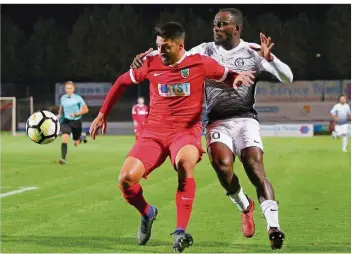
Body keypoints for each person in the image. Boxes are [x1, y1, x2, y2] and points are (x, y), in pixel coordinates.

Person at [131, 8, 293, 250]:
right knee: (222, 166)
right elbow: (176, 53)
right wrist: (147, 57)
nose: (216, 27)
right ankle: (245, 207)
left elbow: (287, 77)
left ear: (236, 28)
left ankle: (274, 227)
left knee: (253, 163)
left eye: (222, 24)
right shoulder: (205, 50)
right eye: (215, 23)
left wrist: (270, 60)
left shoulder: (252, 51)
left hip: (245, 117)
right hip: (216, 120)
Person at [90, 22, 255, 253]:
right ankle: (147, 213)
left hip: (186, 132)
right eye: (158, 46)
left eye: (165, 47)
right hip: (153, 132)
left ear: (180, 46)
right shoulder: (150, 63)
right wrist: (102, 114)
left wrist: (236, 78)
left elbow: (227, 75)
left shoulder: (200, 63)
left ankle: (180, 231)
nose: (160, 52)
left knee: (185, 164)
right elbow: (121, 82)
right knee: (125, 180)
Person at [57, 81, 89, 165]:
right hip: (66, 121)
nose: (69, 90)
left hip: (76, 121)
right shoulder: (63, 98)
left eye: (70, 88)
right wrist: (59, 114)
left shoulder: (78, 98)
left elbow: (86, 110)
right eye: (67, 88)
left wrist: (75, 114)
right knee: (64, 139)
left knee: (76, 143)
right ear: (65, 89)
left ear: (73, 89)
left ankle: (82, 136)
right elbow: (61, 106)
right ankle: (63, 159)